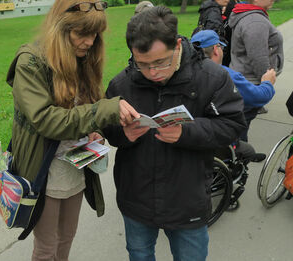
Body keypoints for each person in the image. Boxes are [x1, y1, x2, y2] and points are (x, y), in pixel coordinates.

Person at [103, 6, 246, 261]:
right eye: (143, 64)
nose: (153, 72)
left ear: (178, 44)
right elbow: (109, 132)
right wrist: (124, 134)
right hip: (136, 199)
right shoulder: (121, 84)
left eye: (160, 62)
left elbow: (233, 125)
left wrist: (186, 133)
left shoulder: (212, 78)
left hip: (187, 201)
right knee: (139, 254)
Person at [5, 0, 139, 260]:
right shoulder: (30, 63)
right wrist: (102, 110)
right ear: (60, 28)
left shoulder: (83, 58)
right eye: (82, 33)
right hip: (43, 169)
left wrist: (93, 131)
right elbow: (45, 119)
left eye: (95, 34)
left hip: (75, 165)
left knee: (66, 239)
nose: (90, 41)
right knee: (46, 247)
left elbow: (83, 110)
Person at [191, 29, 276, 162]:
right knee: (248, 151)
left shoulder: (185, 71)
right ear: (215, 49)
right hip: (218, 138)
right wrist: (267, 83)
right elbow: (259, 97)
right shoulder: (226, 75)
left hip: (194, 133)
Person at [228, 0, 284, 134]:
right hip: (250, 86)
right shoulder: (255, 21)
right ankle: (240, 155)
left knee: (239, 132)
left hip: (244, 83)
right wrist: (265, 87)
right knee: (239, 135)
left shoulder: (249, 14)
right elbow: (258, 58)